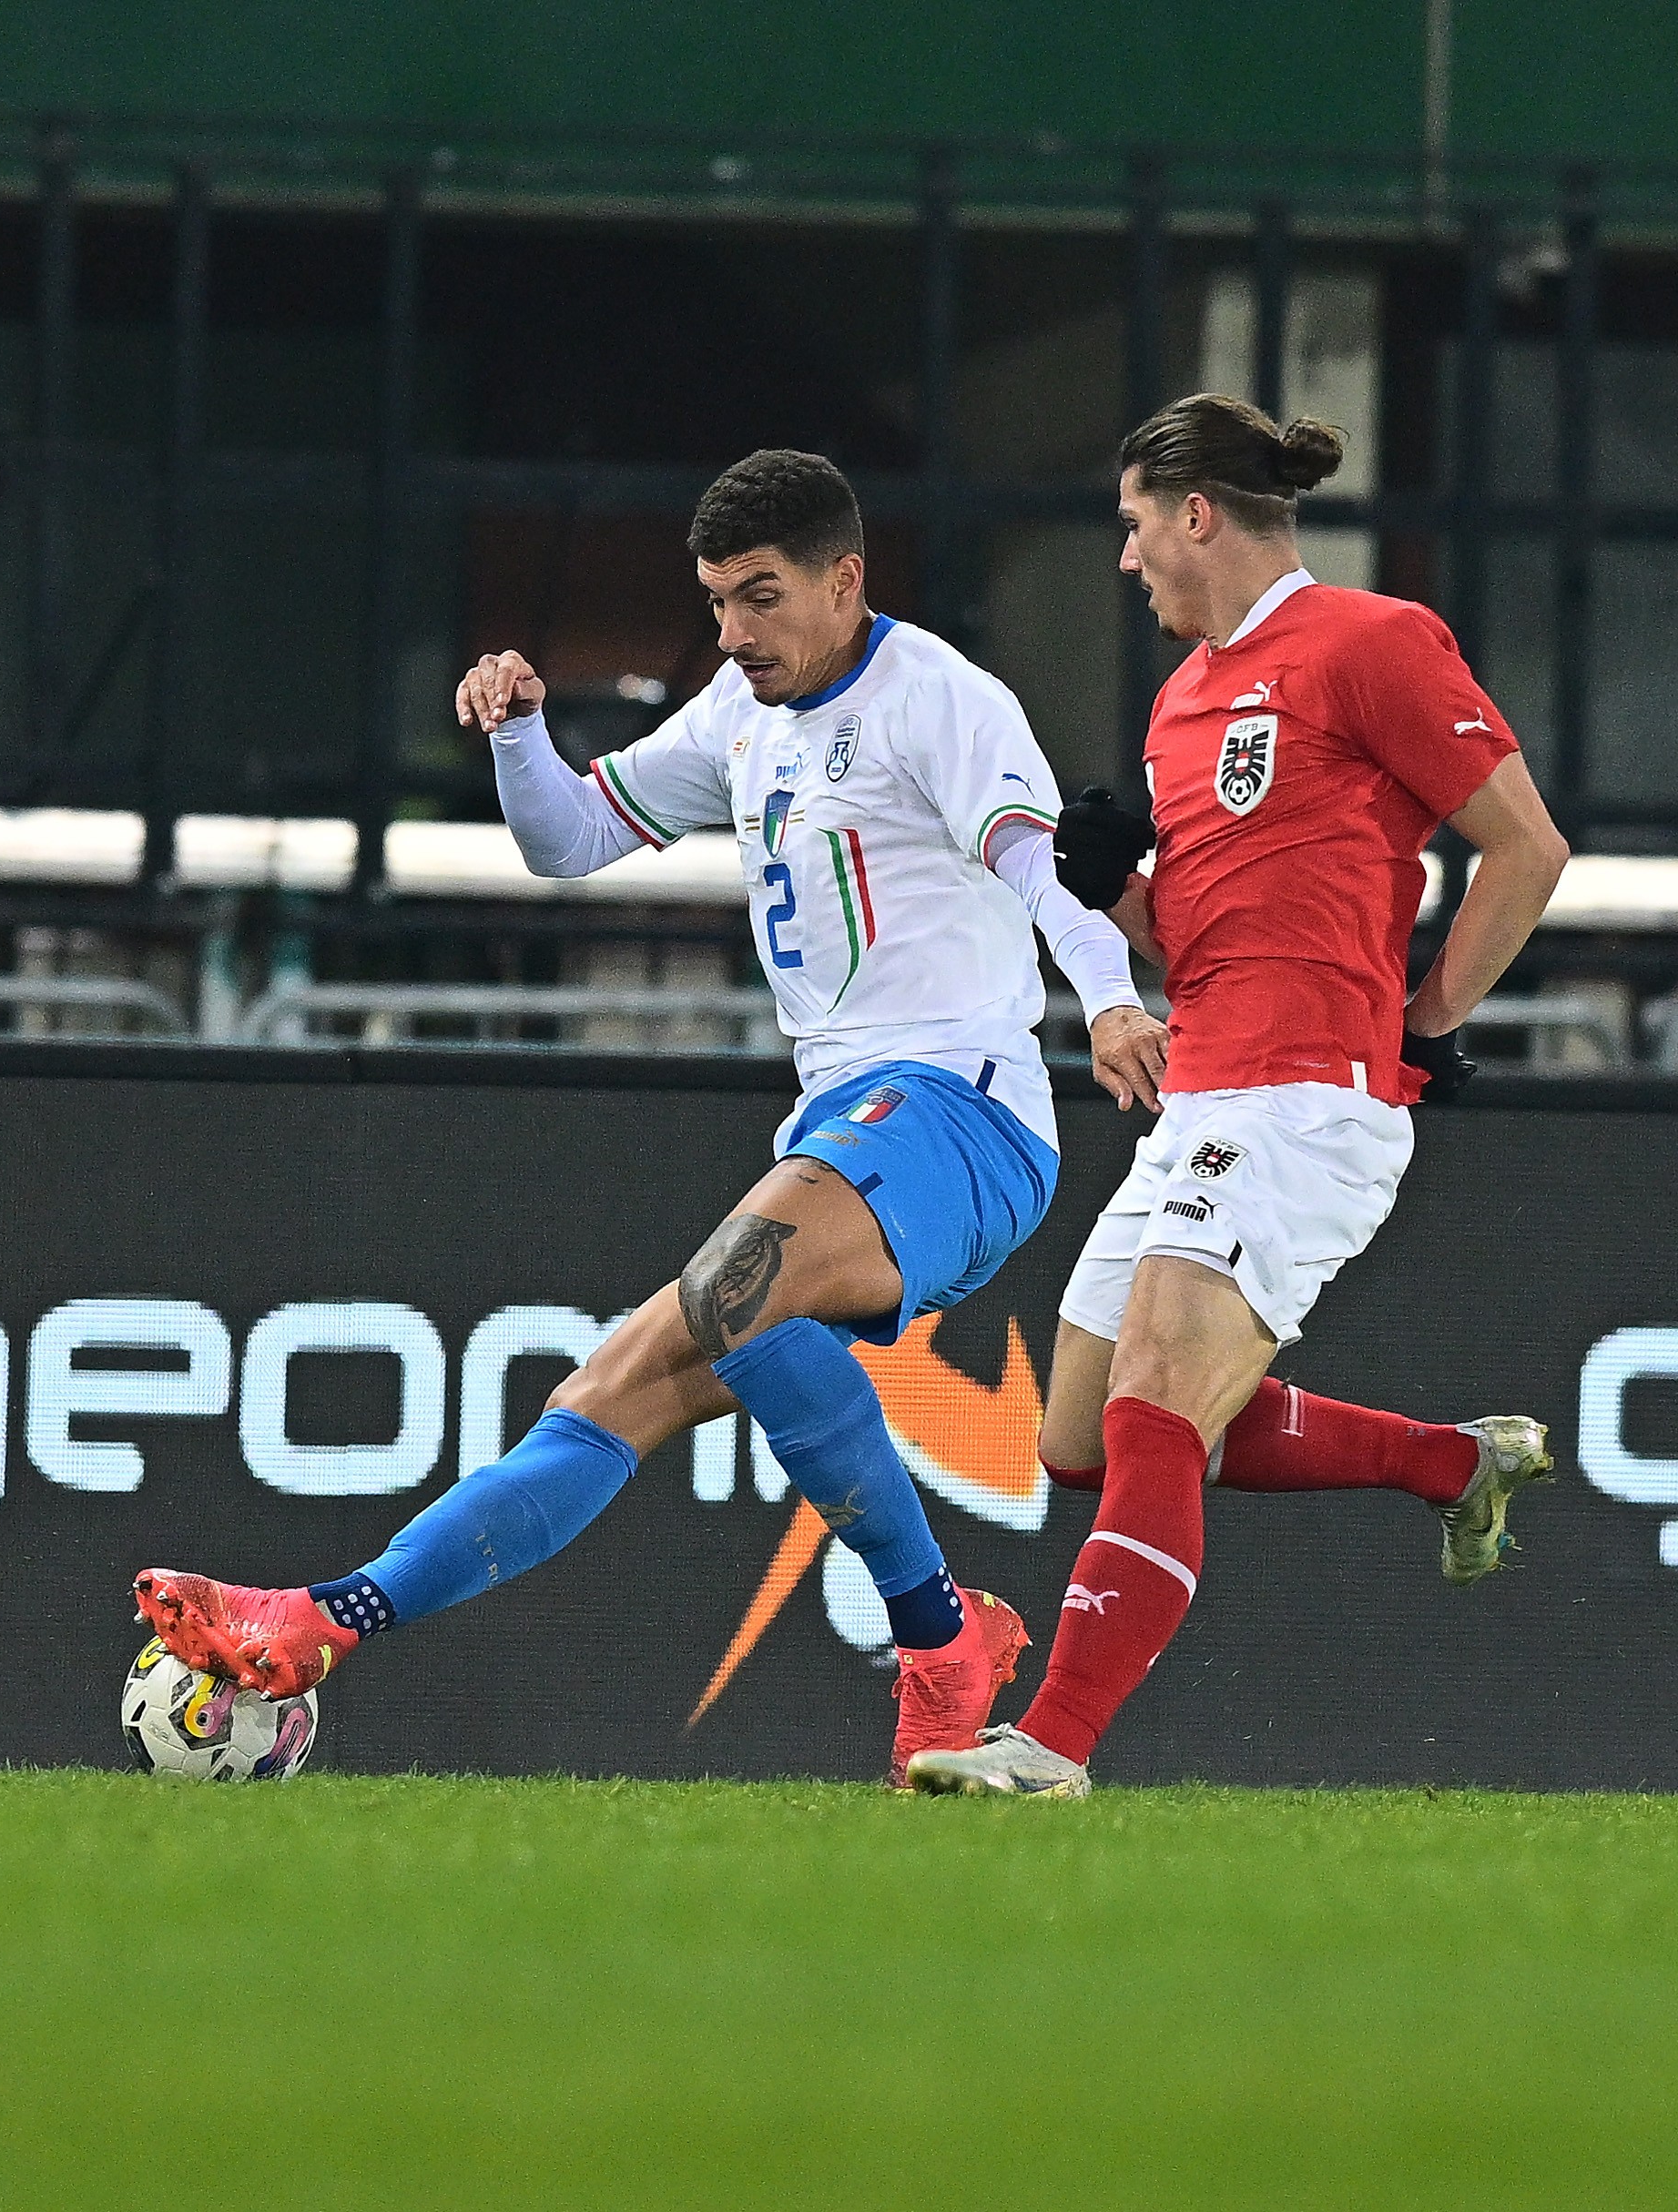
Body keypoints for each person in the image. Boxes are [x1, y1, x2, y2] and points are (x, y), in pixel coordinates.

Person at [135, 447, 1170, 1786]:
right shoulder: (739, 715)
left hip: (962, 1114)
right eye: (717, 604)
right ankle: (329, 1617)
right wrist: (518, 736)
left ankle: (936, 1637)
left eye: (762, 599)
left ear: (846, 581)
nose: (735, 636)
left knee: (732, 1292)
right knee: (596, 1403)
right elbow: (568, 842)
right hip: (849, 1122)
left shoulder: (940, 698)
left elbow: (1045, 871)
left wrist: (1107, 1004)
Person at [908, 393, 1569, 1798]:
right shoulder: (1182, 699)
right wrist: (1112, 885)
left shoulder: (1374, 642)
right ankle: (1452, 1463)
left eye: (1137, 525)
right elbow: (1206, 943)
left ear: (1196, 511)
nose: (1128, 559)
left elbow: (1527, 849)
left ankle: (1052, 1749)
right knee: (1082, 1437)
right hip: (1206, 1088)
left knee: (1157, 1393)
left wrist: (1427, 1017)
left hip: (1307, 1101)